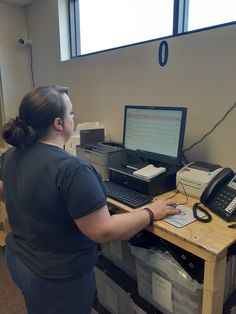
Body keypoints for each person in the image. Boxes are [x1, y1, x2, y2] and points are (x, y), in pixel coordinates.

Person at [0, 85, 180, 314]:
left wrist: (34, 200)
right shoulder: (72, 169)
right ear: (58, 123)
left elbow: (4, 190)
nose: (73, 117)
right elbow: (103, 231)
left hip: (20, 262)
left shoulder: (12, 154)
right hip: (56, 278)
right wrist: (150, 212)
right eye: (71, 113)